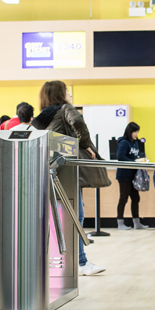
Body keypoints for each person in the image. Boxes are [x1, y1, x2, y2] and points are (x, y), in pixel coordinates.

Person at [33, 80, 105, 276]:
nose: (69, 94)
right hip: (66, 171)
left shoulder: (41, 118)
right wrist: (86, 144)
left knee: (56, 216)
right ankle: (81, 263)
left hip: (47, 170)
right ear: (60, 93)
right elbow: (78, 123)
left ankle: (54, 263)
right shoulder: (65, 109)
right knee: (76, 215)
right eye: (66, 91)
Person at [116, 122, 148, 230]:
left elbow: (136, 155)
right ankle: (120, 223)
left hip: (133, 175)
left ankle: (136, 222)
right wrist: (133, 161)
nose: (136, 134)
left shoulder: (135, 143)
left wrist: (141, 158)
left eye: (137, 132)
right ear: (130, 132)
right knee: (123, 198)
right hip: (124, 175)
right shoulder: (124, 142)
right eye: (135, 132)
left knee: (135, 198)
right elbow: (120, 156)